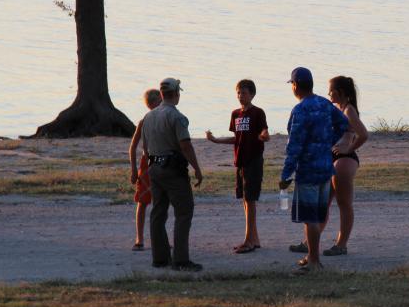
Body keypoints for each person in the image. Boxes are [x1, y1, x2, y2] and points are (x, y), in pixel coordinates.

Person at [280, 67, 348, 273]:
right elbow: (344, 123)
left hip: (308, 171)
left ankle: (314, 261)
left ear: (295, 86)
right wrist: (328, 141)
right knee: (318, 217)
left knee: (310, 219)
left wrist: (285, 175)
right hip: (326, 169)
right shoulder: (325, 104)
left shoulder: (300, 110)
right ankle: (311, 255)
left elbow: (294, 147)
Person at [141, 77, 204, 272]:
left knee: (158, 212)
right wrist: (197, 168)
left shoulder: (148, 117)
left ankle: (159, 258)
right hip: (173, 170)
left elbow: (145, 149)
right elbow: (185, 145)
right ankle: (181, 259)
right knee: (184, 212)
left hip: (154, 168)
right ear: (176, 94)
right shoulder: (177, 117)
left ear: (161, 94)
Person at [206, 79, 270, 254]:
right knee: (245, 199)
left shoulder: (257, 112)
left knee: (250, 199)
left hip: (254, 160)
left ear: (252, 94)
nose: (241, 96)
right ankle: (254, 239)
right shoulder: (236, 114)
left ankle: (248, 241)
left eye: (244, 93)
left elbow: (263, 132)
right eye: (239, 93)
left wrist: (264, 135)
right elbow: (237, 138)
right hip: (240, 161)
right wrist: (216, 140)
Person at [321, 76, 369, 256]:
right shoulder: (337, 109)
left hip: (345, 159)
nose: (328, 93)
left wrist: (349, 147)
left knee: (343, 203)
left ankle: (341, 245)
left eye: (331, 90)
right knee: (323, 202)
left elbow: (363, 134)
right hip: (332, 158)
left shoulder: (349, 110)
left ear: (340, 92)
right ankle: (310, 239)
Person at [128, 88, 162, 251]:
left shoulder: (165, 119)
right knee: (142, 202)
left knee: (161, 202)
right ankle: (139, 238)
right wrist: (134, 170)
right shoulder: (144, 121)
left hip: (162, 161)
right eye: (158, 101)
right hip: (147, 163)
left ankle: (159, 237)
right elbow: (133, 146)